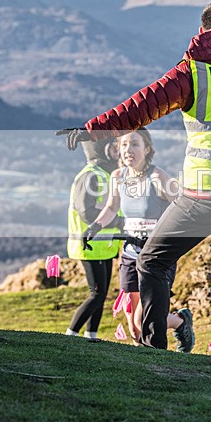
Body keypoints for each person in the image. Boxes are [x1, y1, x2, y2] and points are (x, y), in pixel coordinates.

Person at [57, 1, 211, 350]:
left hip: (205, 194)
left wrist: (93, 130)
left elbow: (142, 107)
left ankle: (153, 346)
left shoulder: (193, 73)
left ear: (203, 30)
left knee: (151, 262)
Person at [81, 127, 194, 352]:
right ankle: (173, 327)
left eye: (134, 144)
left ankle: (180, 324)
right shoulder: (118, 177)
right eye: (123, 145)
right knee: (134, 328)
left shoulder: (157, 176)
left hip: (157, 254)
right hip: (130, 253)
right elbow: (112, 207)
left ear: (147, 149)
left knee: (143, 318)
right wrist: (95, 227)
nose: (127, 150)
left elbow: (185, 205)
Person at [64, 138, 122, 340]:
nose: (118, 151)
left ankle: (91, 336)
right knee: (96, 294)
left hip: (104, 246)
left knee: (101, 295)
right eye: (113, 148)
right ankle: (70, 334)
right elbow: (86, 213)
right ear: (101, 150)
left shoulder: (106, 175)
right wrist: (120, 223)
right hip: (89, 246)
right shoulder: (90, 176)